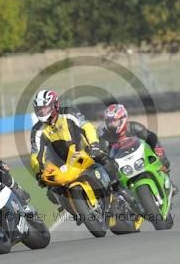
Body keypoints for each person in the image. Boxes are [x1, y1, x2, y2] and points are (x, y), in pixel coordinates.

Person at [30, 90, 137, 220]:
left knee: (108, 162)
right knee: (51, 191)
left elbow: (87, 126)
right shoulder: (37, 130)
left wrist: (94, 145)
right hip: (61, 164)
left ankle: (119, 192)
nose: (41, 111)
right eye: (39, 109)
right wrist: (38, 172)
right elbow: (35, 154)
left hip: (84, 151)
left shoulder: (69, 113)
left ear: (55, 105)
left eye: (44, 108)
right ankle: (76, 211)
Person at [99, 104, 172, 170]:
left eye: (114, 121)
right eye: (109, 121)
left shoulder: (135, 127)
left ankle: (167, 183)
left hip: (141, 158)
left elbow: (152, 138)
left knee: (163, 164)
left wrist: (160, 155)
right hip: (122, 166)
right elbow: (102, 153)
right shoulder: (105, 135)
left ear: (123, 119)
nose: (111, 124)